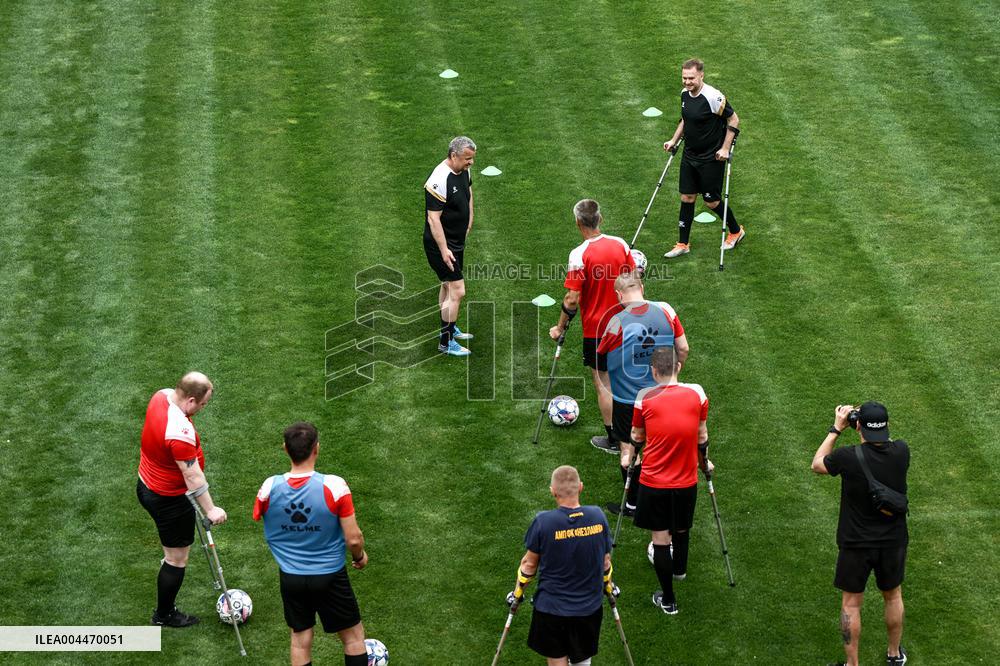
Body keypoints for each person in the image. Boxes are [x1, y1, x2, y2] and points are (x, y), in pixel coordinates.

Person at [254, 422, 369, 666]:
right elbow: (354, 538)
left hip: (291, 577)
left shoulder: (268, 487)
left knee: (300, 640)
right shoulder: (334, 486)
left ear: (285, 449)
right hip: (330, 575)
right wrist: (359, 557)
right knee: (353, 638)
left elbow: (262, 516)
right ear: (317, 448)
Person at [811, 402, 909, 666]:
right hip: (893, 540)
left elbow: (817, 464)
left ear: (859, 426)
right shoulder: (902, 451)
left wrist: (836, 428)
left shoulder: (848, 457)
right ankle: (894, 654)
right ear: (886, 425)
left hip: (856, 543)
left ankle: (853, 664)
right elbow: (882, 443)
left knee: (851, 604)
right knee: (893, 595)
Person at [136, 371, 227, 627]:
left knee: (172, 553)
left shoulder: (161, 396)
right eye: (203, 404)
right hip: (169, 500)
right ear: (189, 400)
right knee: (176, 559)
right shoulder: (179, 432)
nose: (203, 408)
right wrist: (211, 510)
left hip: (145, 483)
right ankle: (164, 615)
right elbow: (193, 477)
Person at [597, 270, 689, 517]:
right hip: (662, 394)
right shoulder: (666, 310)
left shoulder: (616, 322)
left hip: (628, 398)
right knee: (660, 444)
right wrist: (674, 372)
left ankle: (633, 503)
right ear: (642, 287)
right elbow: (683, 347)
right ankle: (665, 491)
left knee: (629, 449)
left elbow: (602, 355)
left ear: (618, 295)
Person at [549, 199, 635, 452]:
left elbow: (571, 299)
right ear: (601, 218)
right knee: (628, 380)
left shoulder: (579, 255)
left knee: (604, 384)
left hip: (598, 331)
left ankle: (614, 440)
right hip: (628, 326)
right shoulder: (620, 244)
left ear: (578, 223)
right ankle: (637, 432)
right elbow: (634, 283)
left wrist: (559, 327)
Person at [507, 465, 614, 666]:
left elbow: (529, 566)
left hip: (551, 611)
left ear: (552, 491)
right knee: (582, 661)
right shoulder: (598, 516)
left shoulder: (543, 522)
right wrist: (609, 585)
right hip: (588, 608)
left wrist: (517, 593)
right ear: (580, 487)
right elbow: (605, 563)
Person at [630, 347, 711, 614]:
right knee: (682, 529)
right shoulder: (697, 394)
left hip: (654, 483)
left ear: (654, 371)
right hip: (686, 481)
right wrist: (704, 463)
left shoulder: (645, 397)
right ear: (678, 367)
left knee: (660, 539)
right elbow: (701, 436)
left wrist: (632, 456)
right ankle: (680, 571)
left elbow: (637, 436)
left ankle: (668, 599)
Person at [661, 58, 745, 258]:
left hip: (711, 157)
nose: (687, 82)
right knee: (686, 197)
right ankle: (683, 243)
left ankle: (735, 231)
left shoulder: (713, 97)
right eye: (684, 78)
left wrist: (725, 149)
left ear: (701, 76)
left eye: (691, 78)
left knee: (712, 201)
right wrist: (673, 140)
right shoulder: (684, 94)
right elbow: (685, 119)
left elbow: (733, 119)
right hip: (690, 154)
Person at [425, 135, 477, 356]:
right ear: (453, 155)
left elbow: (469, 193)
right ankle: (446, 343)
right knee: (457, 289)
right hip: (441, 245)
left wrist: (469, 219)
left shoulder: (463, 170)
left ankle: (449, 327)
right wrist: (445, 249)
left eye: (472, 158)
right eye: (467, 158)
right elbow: (433, 219)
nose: (471, 163)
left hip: (456, 241)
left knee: (447, 285)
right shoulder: (439, 179)